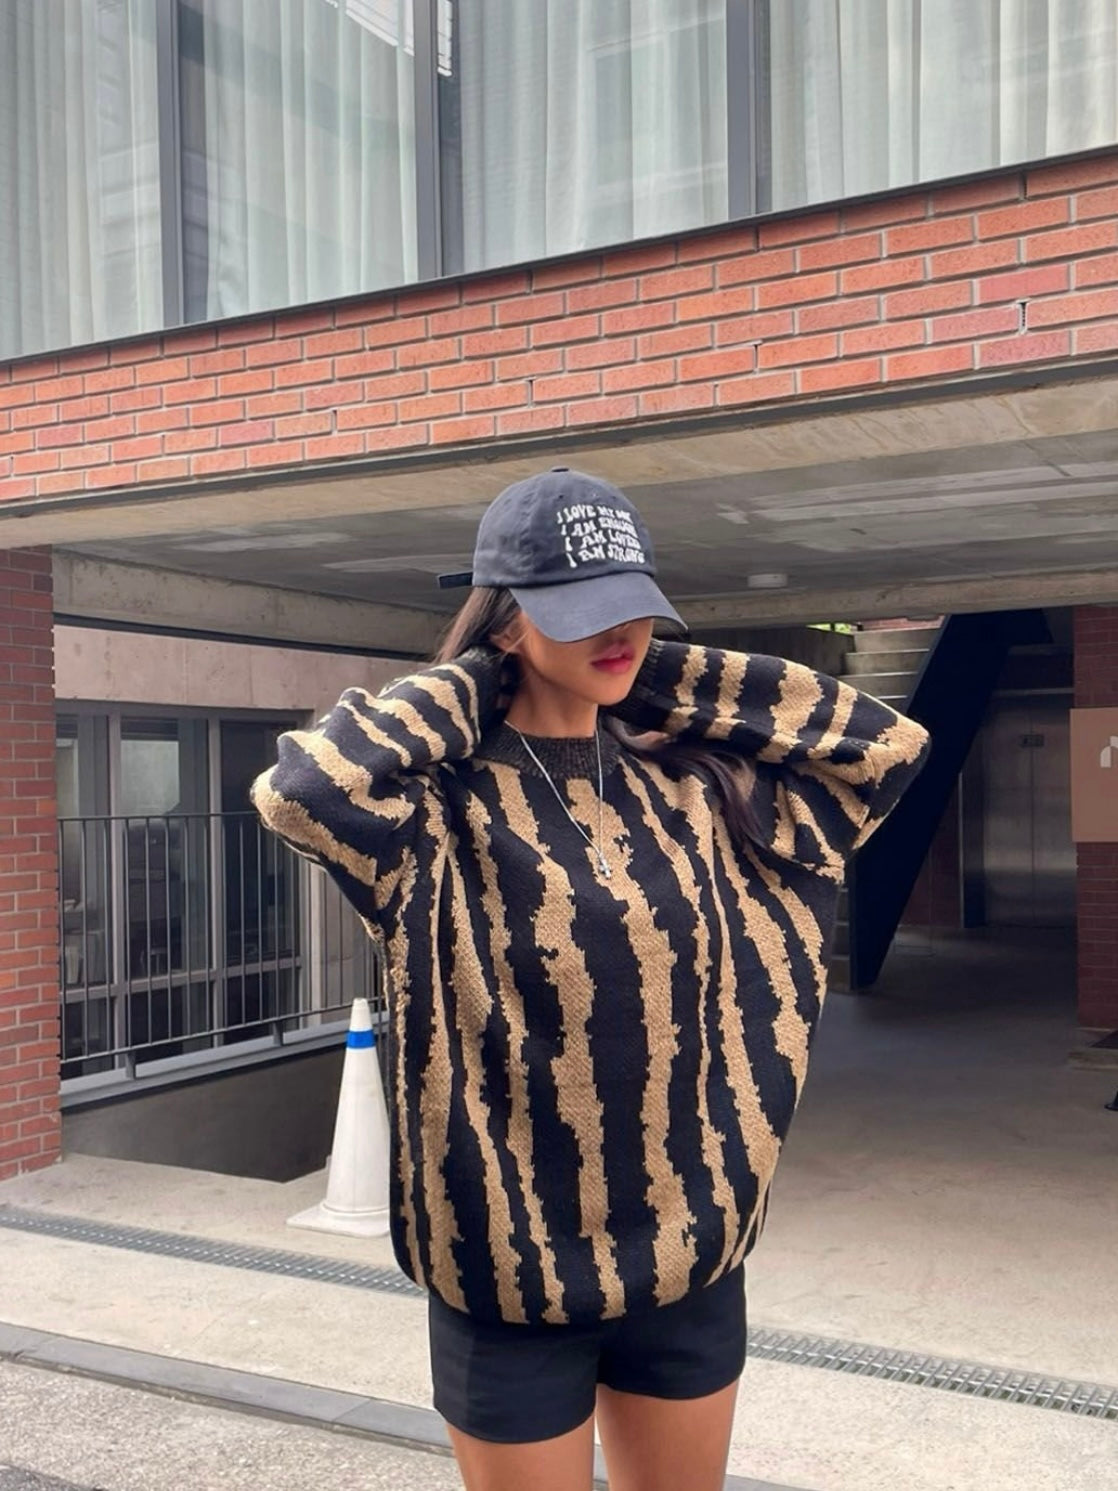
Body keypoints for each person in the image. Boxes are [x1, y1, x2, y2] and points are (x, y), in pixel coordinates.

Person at [252, 467, 930, 1491]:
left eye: (634, 606)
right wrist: (483, 678)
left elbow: (881, 748)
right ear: (504, 617)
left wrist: (643, 674)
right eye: (579, 610)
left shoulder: (698, 786)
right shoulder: (434, 811)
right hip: (508, 1275)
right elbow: (306, 786)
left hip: (689, 1257)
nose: (619, 632)